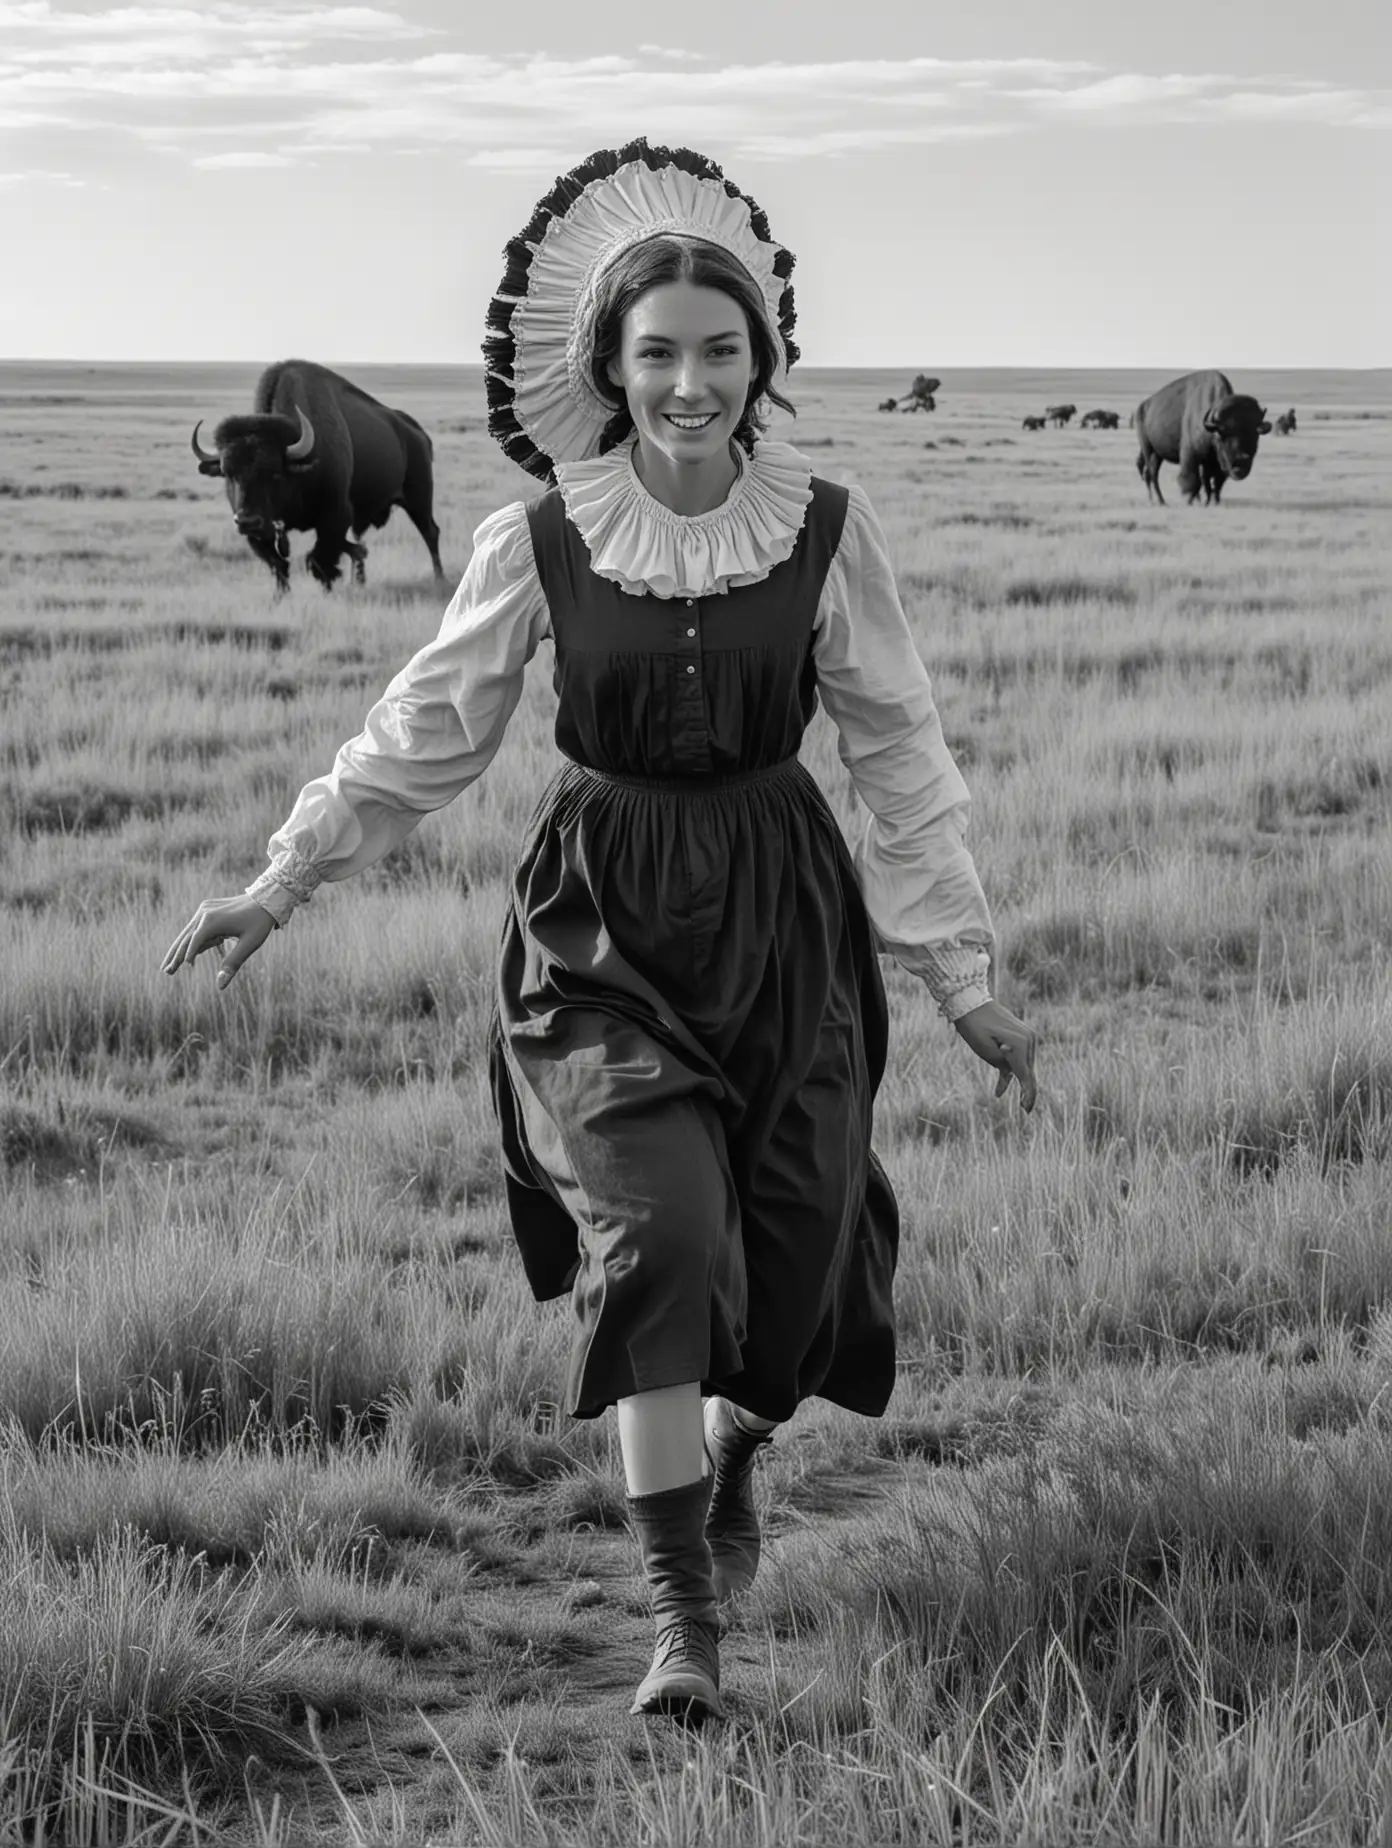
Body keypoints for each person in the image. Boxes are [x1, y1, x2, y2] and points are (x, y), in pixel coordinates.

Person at [163, 139, 1038, 1724]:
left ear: (760, 364)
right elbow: (424, 732)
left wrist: (963, 982)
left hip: (784, 920)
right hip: (601, 932)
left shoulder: (829, 531)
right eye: (658, 355)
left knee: (793, 1274)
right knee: (662, 1247)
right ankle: (681, 1617)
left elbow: (902, 758)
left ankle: (737, 1444)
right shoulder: (538, 541)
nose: (689, 383)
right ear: (609, 368)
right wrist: (278, 880)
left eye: (720, 351)